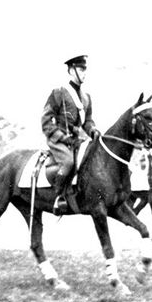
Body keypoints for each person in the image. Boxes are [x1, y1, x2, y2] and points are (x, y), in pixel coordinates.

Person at [41, 54, 97, 213]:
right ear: (71, 71)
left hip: (76, 140)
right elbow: (46, 121)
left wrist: (92, 130)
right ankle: (59, 197)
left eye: (85, 69)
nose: (84, 73)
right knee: (68, 163)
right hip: (58, 140)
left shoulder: (86, 98)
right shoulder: (59, 93)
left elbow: (88, 121)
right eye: (81, 69)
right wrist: (61, 137)